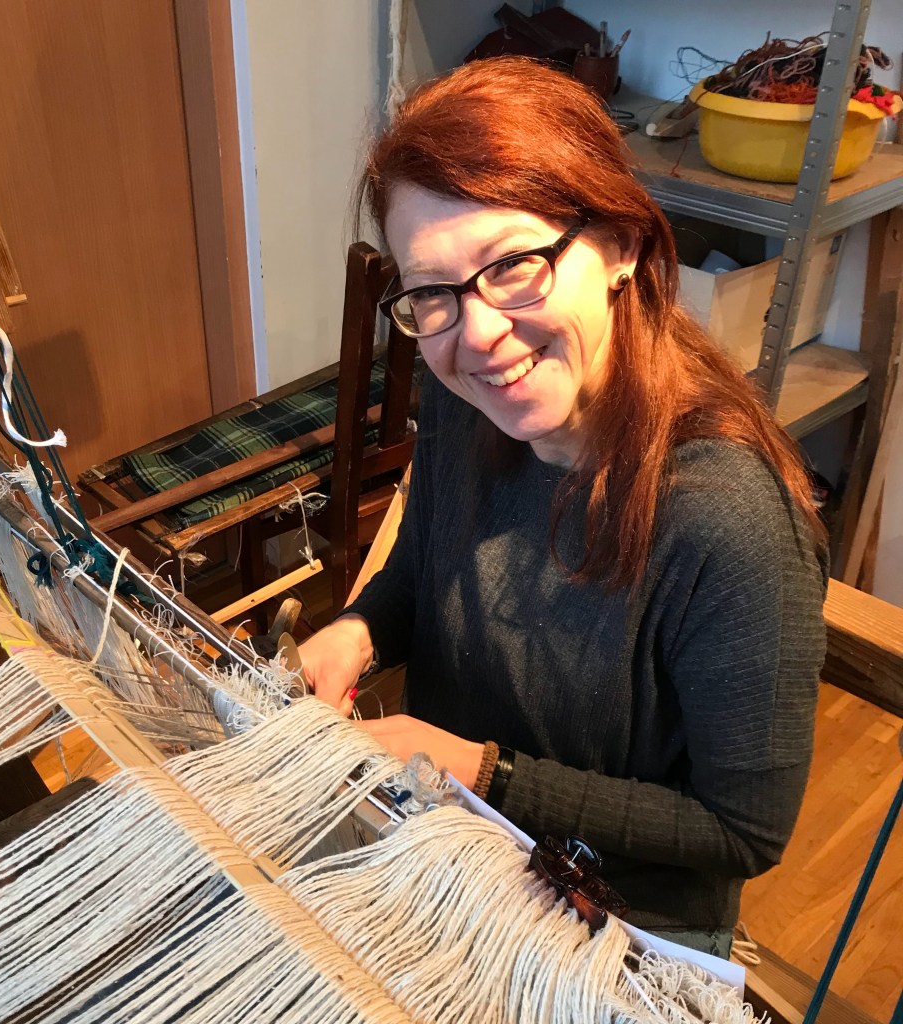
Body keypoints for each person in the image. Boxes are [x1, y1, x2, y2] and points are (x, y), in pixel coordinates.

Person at [299, 56, 827, 957]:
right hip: (451, 850)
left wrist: (485, 772)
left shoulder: (727, 518)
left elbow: (742, 830)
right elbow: (425, 571)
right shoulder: (468, 404)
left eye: (514, 266)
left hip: (608, 932)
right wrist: (359, 631)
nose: (478, 334)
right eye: (432, 293)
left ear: (621, 244)